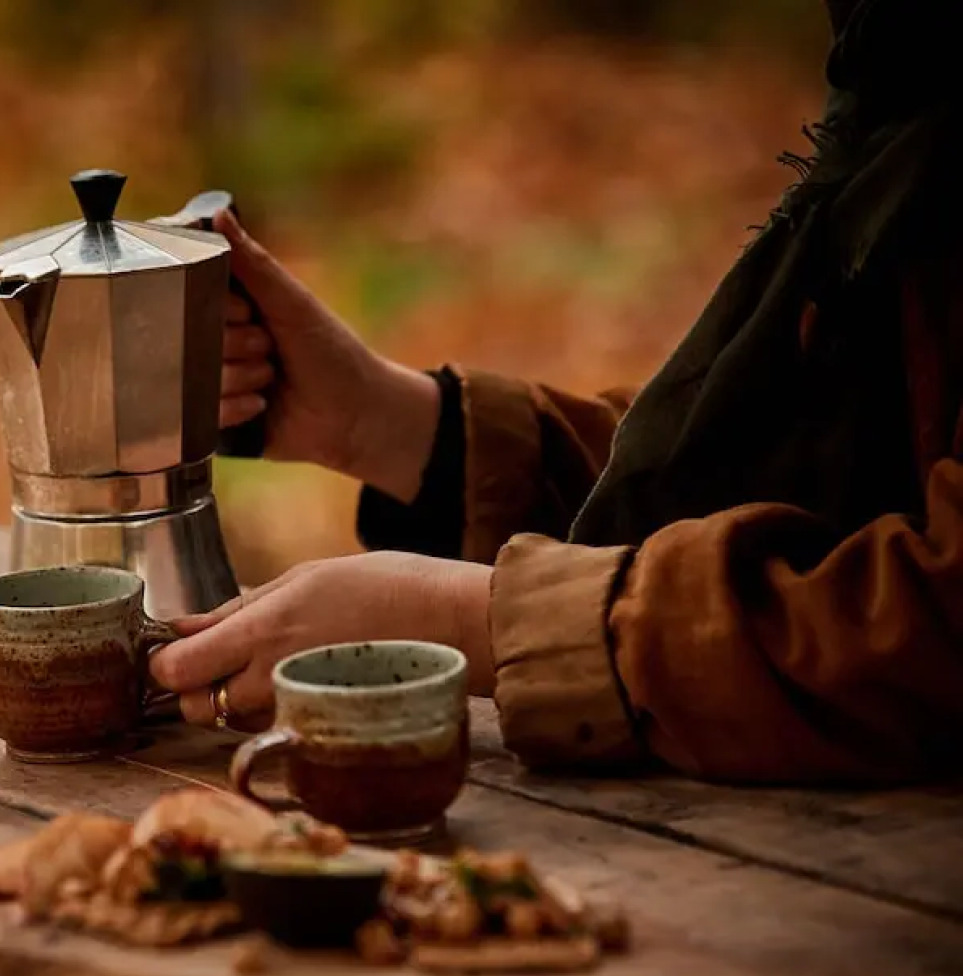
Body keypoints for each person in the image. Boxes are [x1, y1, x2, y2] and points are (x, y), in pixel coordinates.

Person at [149, 0, 963, 785]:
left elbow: (932, 621)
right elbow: (810, 489)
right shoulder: (899, 86)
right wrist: (389, 424)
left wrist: (480, 624)